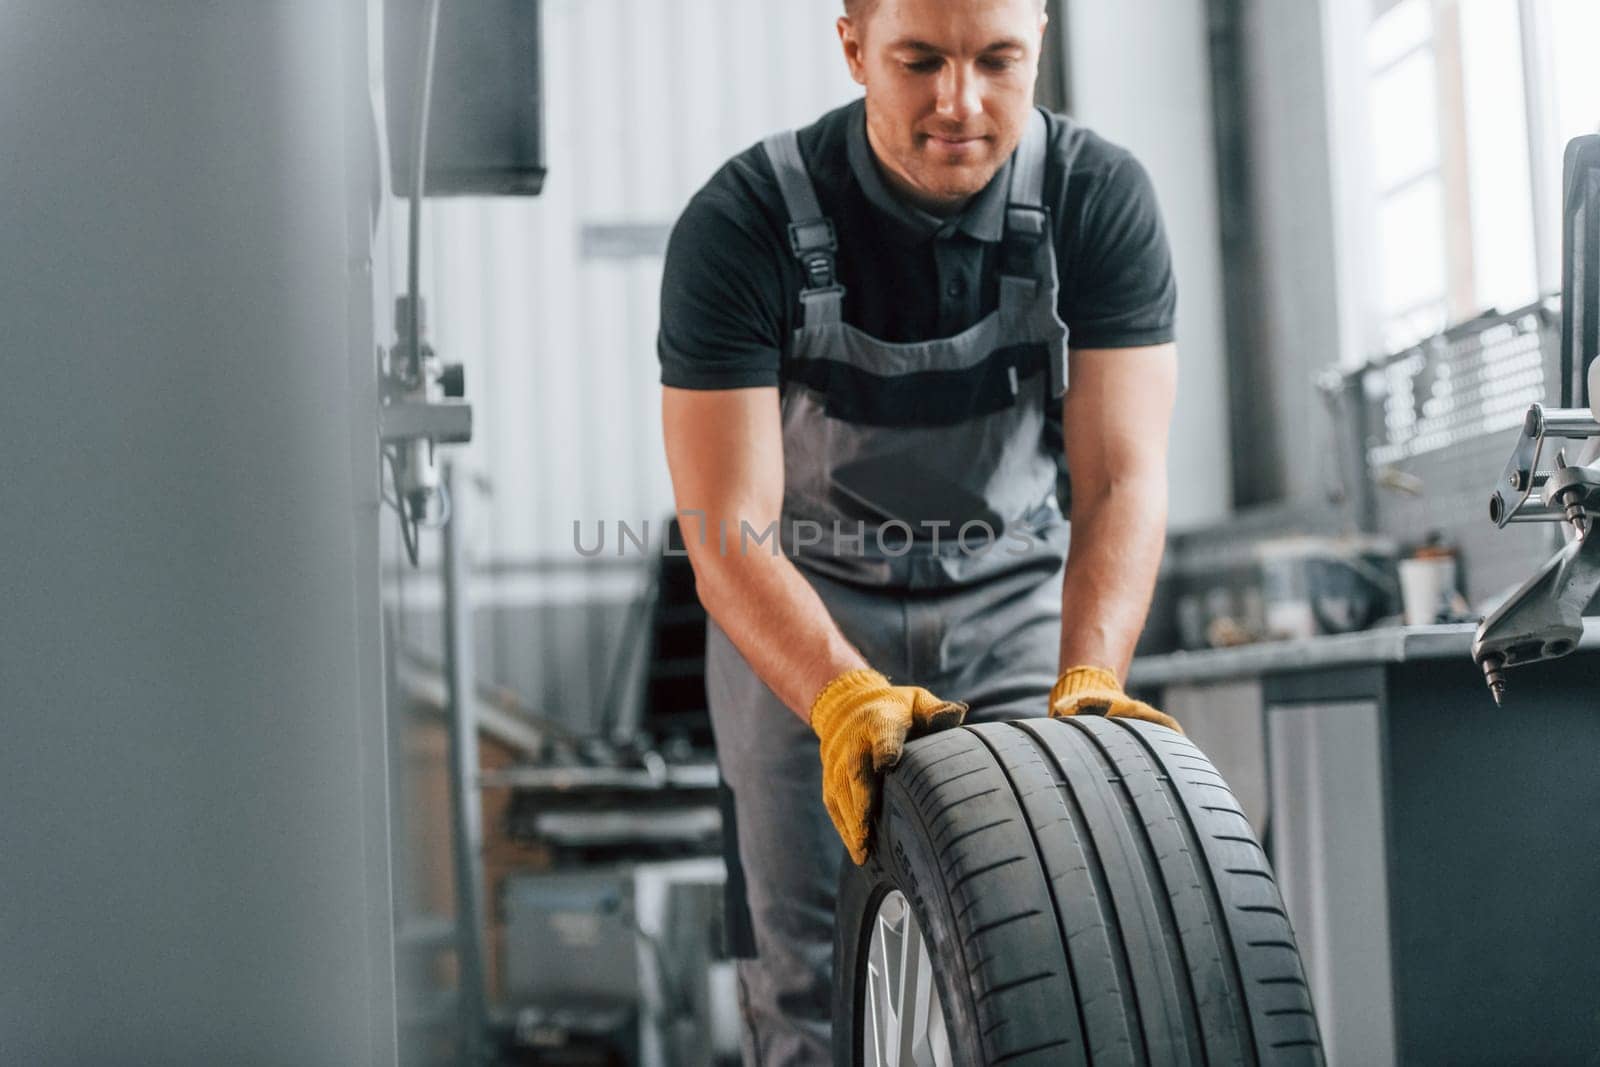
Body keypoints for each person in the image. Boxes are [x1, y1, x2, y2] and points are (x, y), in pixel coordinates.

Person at [657, 0, 1181, 1060]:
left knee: (1049, 951)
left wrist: (1089, 674)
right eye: (919, 61)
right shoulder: (745, 219)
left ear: (1039, 38)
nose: (960, 103)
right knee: (801, 973)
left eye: (997, 60)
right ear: (851, 44)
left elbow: (1121, 479)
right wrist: (839, 695)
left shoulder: (1097, 199)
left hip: (1013, 607)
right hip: (799, 607)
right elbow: (725, 527)